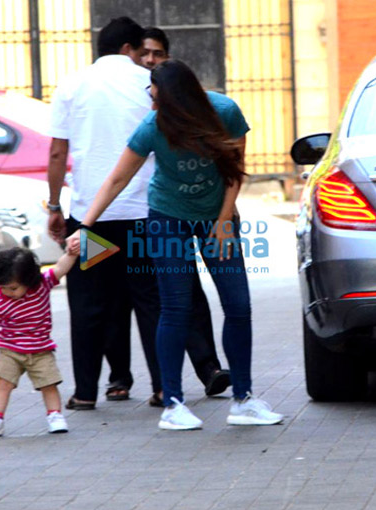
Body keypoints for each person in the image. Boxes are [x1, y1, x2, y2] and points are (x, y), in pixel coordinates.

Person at [66, 59, 284, 430]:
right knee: (175, 307)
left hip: (217, 216)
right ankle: (173, 404)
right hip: (169, 219)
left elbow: (235, 168)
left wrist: (223, 222)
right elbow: (117, 179)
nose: (148, 94)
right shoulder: (152, 126)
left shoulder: (225, 112)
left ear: (172, 95)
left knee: (238, 304)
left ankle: (244, 400)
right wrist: (84, 226)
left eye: (153, 88)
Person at [47, 17, 229, 411]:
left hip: (91, 217)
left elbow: (58, 153)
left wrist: (54, 206)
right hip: (148, 215)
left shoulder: (71, 85)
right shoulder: (147, 83)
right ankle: (164, 387)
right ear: (130, 48)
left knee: (90, 304)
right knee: (155, 301)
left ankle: (84, 392)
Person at [140, 25, 232, 403]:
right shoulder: (145, 99)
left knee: (183, 296)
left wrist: (225, 216)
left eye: (158, 53)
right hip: (150, 210)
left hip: (185, 210)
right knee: (156, 300)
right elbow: (117, 171)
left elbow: (231, 166)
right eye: (145, 53)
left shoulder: (187, 98)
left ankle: (207, 370)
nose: (150, 60)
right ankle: (156, 385)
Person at [0, 247, 77, 438]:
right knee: (2, 384)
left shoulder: (43, 285)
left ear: (29, 280)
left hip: (41, 351)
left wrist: (71, 254)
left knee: (49, 384)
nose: (7, 292)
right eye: (3, 286)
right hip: (10, 350)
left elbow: (60, 268)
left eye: (13, 288)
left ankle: (55, 415)